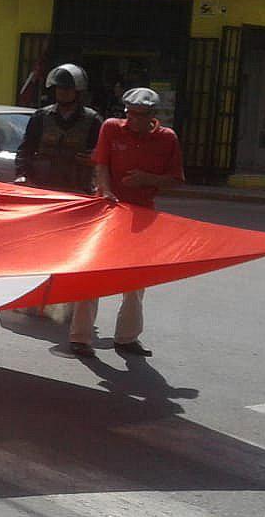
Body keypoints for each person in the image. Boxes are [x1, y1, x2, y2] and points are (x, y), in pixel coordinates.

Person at [68, 87, 185, 359]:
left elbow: (176, 179)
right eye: (129, 114)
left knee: (135, 281)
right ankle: (80, 337)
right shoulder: (111, 128)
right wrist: (105, 190)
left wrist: (148, 179)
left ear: (152, 116)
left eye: (139, 115)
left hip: (142, 216)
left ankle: (127, 337)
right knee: (91, 274)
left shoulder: (167, 139)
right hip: (107, 212)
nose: (132, 120)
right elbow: (101, 165)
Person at [14, 64, 103, 194]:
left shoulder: (93, 120)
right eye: (59, 88)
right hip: (42, 187)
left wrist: (93, 161)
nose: (62, 92)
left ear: (78, 92)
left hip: (78, 190)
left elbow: (102, 158)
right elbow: (25, 150)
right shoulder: (41, 116)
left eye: (67, 89)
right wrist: (22, 174)